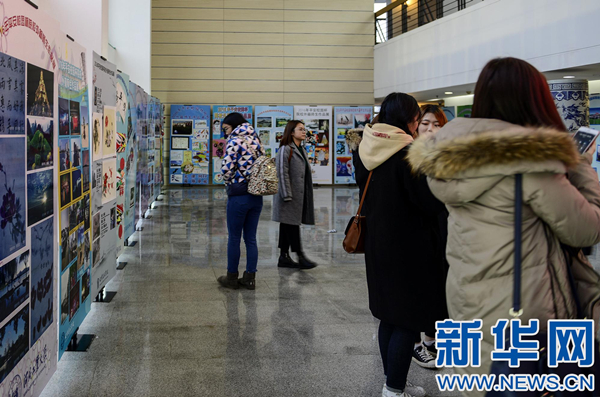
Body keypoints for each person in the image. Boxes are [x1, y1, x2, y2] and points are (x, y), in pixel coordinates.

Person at [407, 57, 600, 397]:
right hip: (530, 314)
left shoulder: (450, 154)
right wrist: (581, 165)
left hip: (471, 302)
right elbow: (585, 230)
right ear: (533, 100)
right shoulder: (531, 159)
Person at [352, 93, 448, 397]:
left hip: (378, 242)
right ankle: (394, 390)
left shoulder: (366, 146)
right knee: (407, 319)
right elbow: (430, 204)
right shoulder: (409, 152)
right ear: (411, 119)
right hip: (411, 248)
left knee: (388, 315)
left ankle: (392, 381)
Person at [410, 104, 450, 369]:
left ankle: (432, 339)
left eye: (436, 124)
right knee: (419, 285)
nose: (430, 128)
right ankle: (416, 343)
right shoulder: (407, 155)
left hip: (445, 227)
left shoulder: (448, 154)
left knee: (441, 284)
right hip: (418, 231)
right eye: (425, 123)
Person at [217, 112, 265, 290]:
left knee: (234, 237)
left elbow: (226, 168)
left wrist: (230, 183)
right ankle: (250, 278)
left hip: (239, 196)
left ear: (235, 126)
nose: (225, 133)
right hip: (256, 195)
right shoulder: (256, 139)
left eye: (226, 129)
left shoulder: (234, 140)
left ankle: (231, 277)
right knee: (251, 238)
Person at [272, 120, 318, 270]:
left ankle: (283, 256)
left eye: (304, 129)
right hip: (288, 196)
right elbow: (281, 173)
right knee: (292, 225)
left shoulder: (301, 150)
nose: (304, 132)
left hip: (298, 195)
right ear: (292, 132)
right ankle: (300, 255)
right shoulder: (286, 149)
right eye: (300, 129)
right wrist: (286, 195)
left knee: (287, 224)